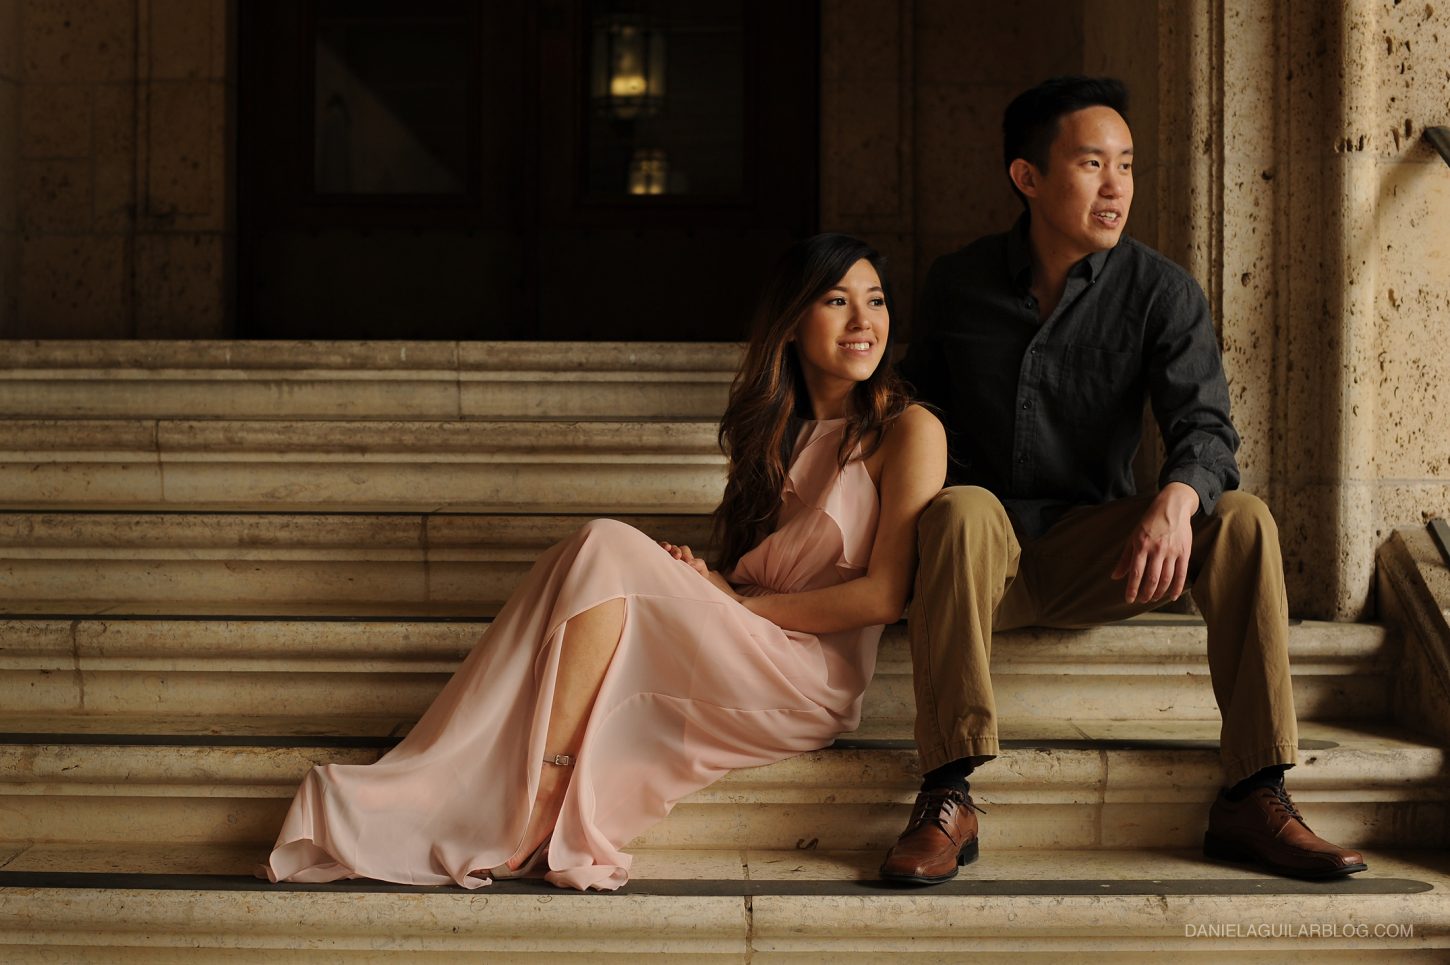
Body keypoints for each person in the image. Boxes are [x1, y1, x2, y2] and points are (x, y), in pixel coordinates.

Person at [260, 234, 946, 891]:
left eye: (877, 299)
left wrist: (737, 606)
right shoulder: (769, 433)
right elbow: (757, 570)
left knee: (604, 543)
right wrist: (705, 584)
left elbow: (885, 595)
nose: (864, 319)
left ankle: (547, 789)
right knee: (587, 556)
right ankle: (478, 777)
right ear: (793, 322)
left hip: (810, 676)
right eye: (837, 299)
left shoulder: (908, 430)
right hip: (752, 636)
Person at [880, 76, 1366, 884]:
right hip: (979, 556)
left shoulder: (1161, 291)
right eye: (1092, 164)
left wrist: (1177, 500)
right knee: (961, 509)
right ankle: (947, 792)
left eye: (1127, 166)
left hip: (1103, 551)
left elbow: (1207, 431)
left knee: (1241, 516)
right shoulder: (958, 283)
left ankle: (1255, 789)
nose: (1117, 188)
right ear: (1027, 177)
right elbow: (909, 414)